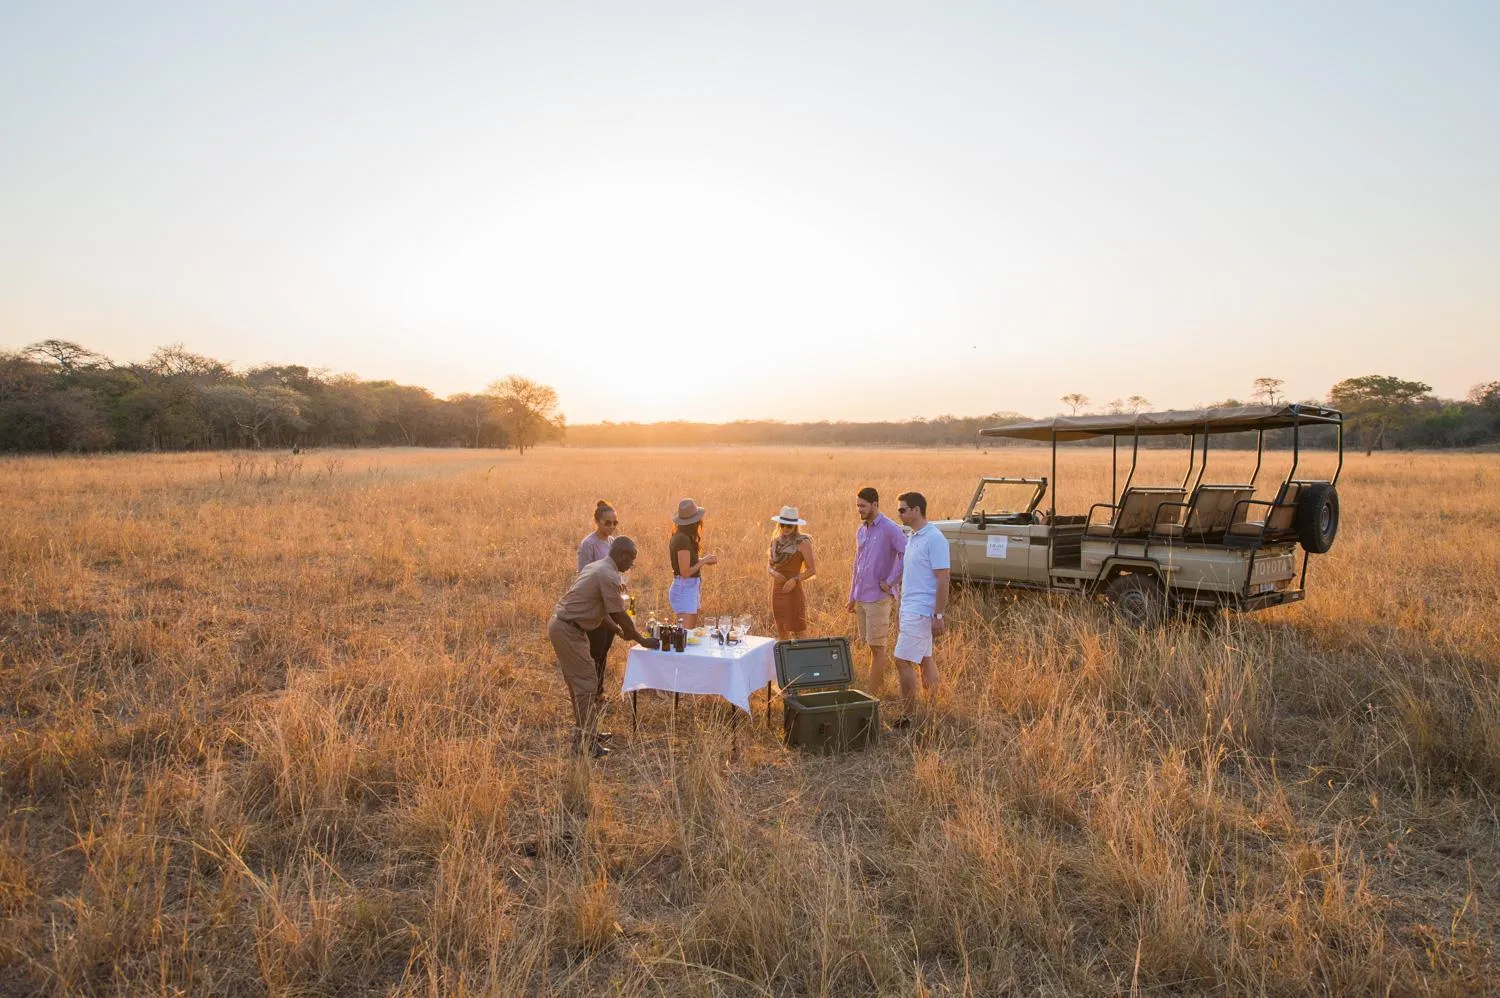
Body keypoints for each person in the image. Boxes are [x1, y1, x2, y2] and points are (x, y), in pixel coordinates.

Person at [548, 536, 658, 757]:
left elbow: (602, 611)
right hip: (568, 629)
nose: (632, 564)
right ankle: (586, 743)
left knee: (581, 684)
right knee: (586, 684)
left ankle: (587, 733)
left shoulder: (598, 567)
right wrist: (641, 639)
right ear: (621, 555)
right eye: (632, 559)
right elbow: (619, 614)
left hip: (570, 627)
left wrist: (618, 631)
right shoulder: (607, 575)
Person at [892, 491, 949, 727]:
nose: (899, 514)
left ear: (916, 510)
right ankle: (932, 711)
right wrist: (900, 609)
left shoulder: (934, 538)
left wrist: (938, 615)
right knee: (925, 659)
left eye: (903, 509)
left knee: (901, 660)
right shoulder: (913, 536)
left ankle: (909, 716)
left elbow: (943, 577)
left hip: (921, 610)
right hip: (910, 607)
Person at [846, 487, 906, 694]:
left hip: (879, 597)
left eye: (862, 505)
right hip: (862, 596)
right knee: (870, 645)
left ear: (875, 504)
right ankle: (878, 687)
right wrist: (852, 595)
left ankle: (870, 695)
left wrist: (890, 582)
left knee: (878, 647)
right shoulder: (862, 529)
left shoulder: (890, 528)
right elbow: (857, 564)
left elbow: (906, 553)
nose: (859, 509)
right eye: (857, 505)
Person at [576, 499, 619, 712]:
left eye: (614, 523)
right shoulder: (589, 544)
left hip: (610, 603)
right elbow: (583, 575)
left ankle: (598, 692)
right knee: (595, 650)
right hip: (595, 605)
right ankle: (590, 695)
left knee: (605, 650)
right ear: (597, 521)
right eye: (607, 523)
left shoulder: (612, 542)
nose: (611, 527)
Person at [767, 505, 817, 639]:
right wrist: (774, 573)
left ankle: (805, 659)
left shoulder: (803, 542)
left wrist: (795, 580)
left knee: (799, 629)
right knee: (781, 629)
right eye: (782, 525)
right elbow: (769, 566)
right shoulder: (775, 541)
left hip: (793, 590)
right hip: (777, 590)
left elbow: (812, 570)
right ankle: (784, 659)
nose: (785, 529)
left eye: (789, 526)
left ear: (795, 526)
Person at [667, 498, 717, 627]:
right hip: (684, 588)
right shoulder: (682, 539)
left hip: (688, 587)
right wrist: (704, 561)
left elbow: (686, 566)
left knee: (686, 634)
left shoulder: (682, 536)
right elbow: (685, 572)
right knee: (685, 636)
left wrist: (703, 561)